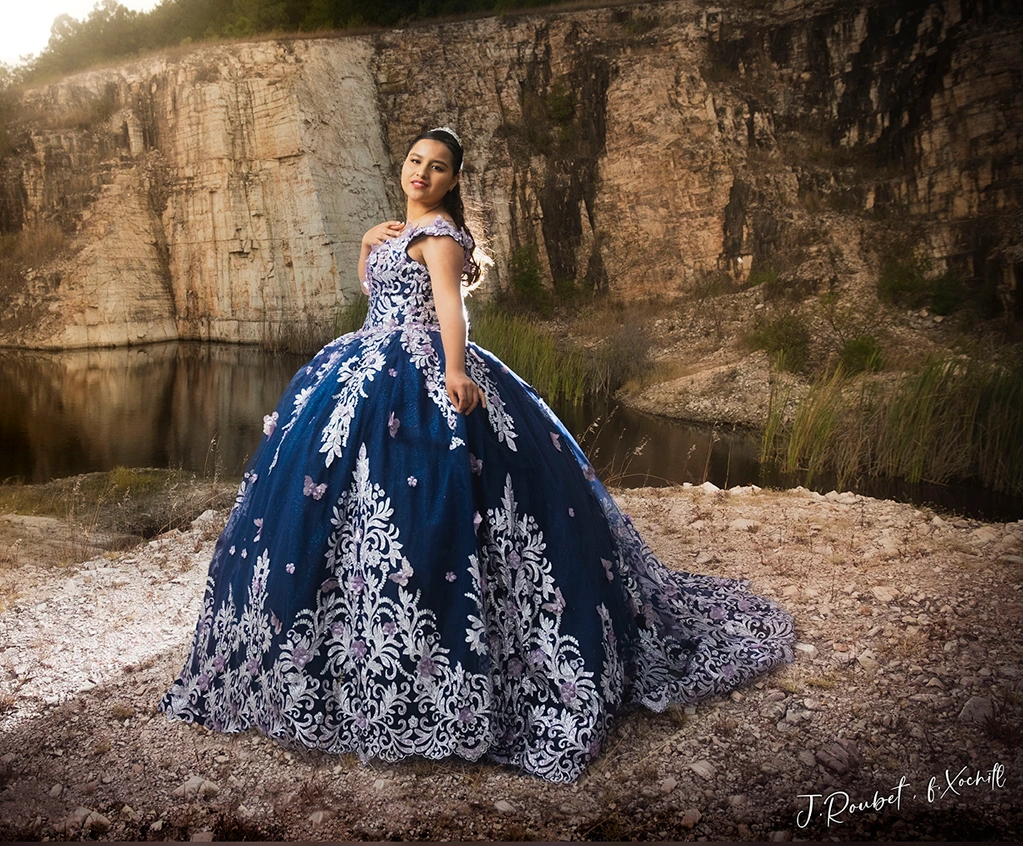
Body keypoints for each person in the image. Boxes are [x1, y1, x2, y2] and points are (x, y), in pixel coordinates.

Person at [158, 127, 795, 784]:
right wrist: (366, 244)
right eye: (415, 161)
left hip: (423, 365)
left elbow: (449, 307)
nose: (423, 173)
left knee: (432, 502)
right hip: (365, 360)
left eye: (438, 167)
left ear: (454, 179)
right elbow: (376, 295)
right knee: (331, 498)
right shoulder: (400, 231)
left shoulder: (440, 236)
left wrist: (455, 371)